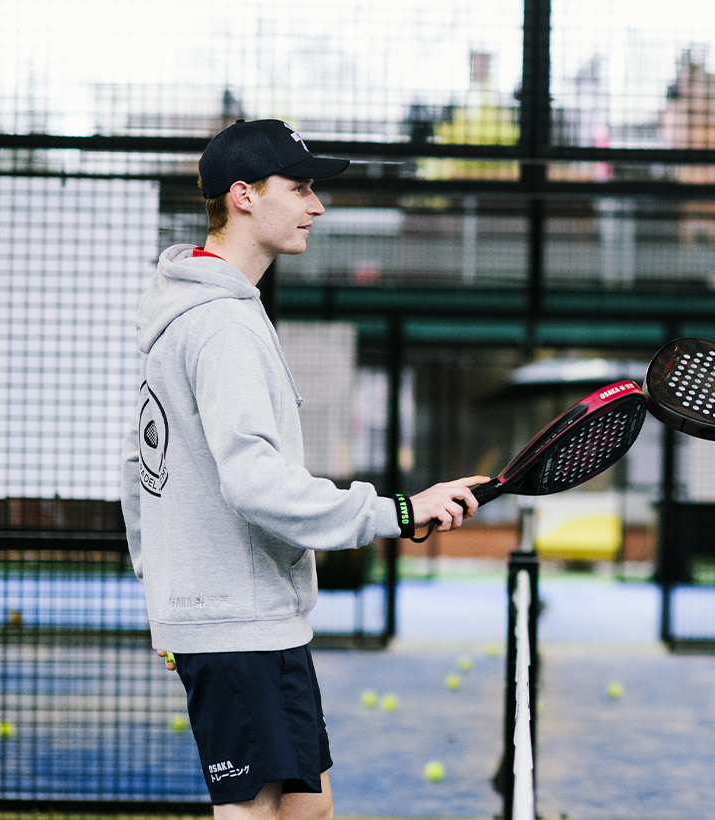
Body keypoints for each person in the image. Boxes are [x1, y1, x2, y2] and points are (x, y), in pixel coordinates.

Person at [120, 118, 488, 820]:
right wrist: (398, 511)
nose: (317, 206)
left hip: (255, 616)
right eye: (301, 187)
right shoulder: (218, 325)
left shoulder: (216, 314)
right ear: (244, 196)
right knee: (251, 813)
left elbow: (139, 466)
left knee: (308, 807)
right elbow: (250, 481)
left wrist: (166, 604)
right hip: (235, 617)